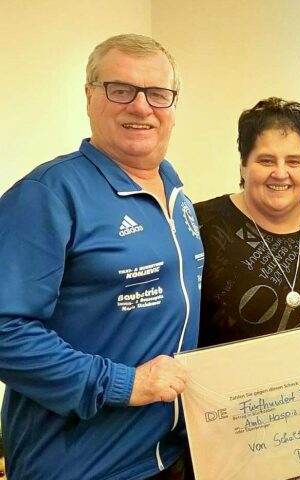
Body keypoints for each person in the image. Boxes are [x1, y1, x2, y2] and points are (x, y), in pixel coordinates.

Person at [0, 34, 202, 479]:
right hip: (80, 466)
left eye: (157, 93)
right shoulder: (48, 194)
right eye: (121, 89)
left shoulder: (177, 194)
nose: (141, 107)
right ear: (90, 95)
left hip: (164, 458)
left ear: (173, 105)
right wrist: (126, 384)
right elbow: (4, 331)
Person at [194, 97, 300, 347]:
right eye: (266, 160)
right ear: (243, 166)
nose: (280, 173)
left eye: (293, 161)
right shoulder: (200, 224)